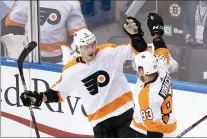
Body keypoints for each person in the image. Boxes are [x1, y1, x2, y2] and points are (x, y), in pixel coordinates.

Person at [20, 26, 148, 137]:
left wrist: (136, 37)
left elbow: (137, 50)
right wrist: (39, 98)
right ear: (78, 49)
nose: (91, 50)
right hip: (100, 123)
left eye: (92, 45)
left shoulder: (108, 52)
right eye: (86, 47)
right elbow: (57, 93)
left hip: (126, 113)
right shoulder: (71, 70)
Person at [122, 13, 177, 137]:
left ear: (141, 71)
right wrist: (156, 35)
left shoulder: (146, 98)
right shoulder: (162, 67)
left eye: (137, 68)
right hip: (169, 123)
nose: (136, 71)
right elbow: (161, 48)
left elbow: (153, 130)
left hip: (148, 130)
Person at [2, 1, 87, 62]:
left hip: (59, 59)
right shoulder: (25, 2)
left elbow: (79, 35)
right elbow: (12, 26)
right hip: (28, 57)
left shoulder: (71, 3)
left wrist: (75, 58)